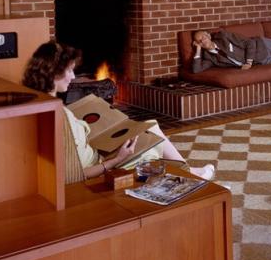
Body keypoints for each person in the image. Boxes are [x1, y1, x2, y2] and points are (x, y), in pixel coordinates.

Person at [23, 40, 216, 180]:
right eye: (70, 70)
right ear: (54, 73)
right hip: (101, 163)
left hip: (95, 151)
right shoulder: (59, 115)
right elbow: (76, 174)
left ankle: (191, 171)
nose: (73, 77)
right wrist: (117, 159)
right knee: (151, 139)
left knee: (149, 125)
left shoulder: (41, 103)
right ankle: (192, 175)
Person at [192, 30, 271, 73]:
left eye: (203, 36)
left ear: (208, 35)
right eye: (199, 41)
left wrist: (248, 62)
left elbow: (249, 42)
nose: (203, 41)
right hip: (262, 61)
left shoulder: (223, 36)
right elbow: (196, 70)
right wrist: (197, 50)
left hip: (263, 46)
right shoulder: (210, 58)